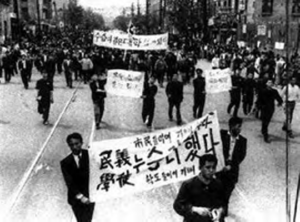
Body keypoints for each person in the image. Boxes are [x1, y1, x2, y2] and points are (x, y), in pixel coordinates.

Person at [173, 154, 226, 222]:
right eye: (208, 167)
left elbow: (224, 204)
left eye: (214, 167)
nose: (211, 170)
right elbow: (177, 205)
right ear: (200, 167)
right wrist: (194, 209)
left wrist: (220, 211)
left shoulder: (218, 184)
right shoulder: (188, 185)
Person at [61, 132, 95, 222]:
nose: (74, 147)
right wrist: (81, 197)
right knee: (81, 220)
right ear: (69, 146)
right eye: (71, 145)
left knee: (88, 218)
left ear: (81, 143)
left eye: (77, 144)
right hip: (76, 199)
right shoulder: (65, 162)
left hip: (90, 196)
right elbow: (69, 182)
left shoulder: (90, 155)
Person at [217, 117, 247, 216]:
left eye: (240, 127)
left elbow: (241, 156)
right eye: (238, 127)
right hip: (220, 170)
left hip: (232, 173)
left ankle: (223, 210)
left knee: (226, 194)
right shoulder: (221, 134)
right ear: (231, 126)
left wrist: (231, 165)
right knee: (218, 192)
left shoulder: (243, 141)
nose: (240, 129)